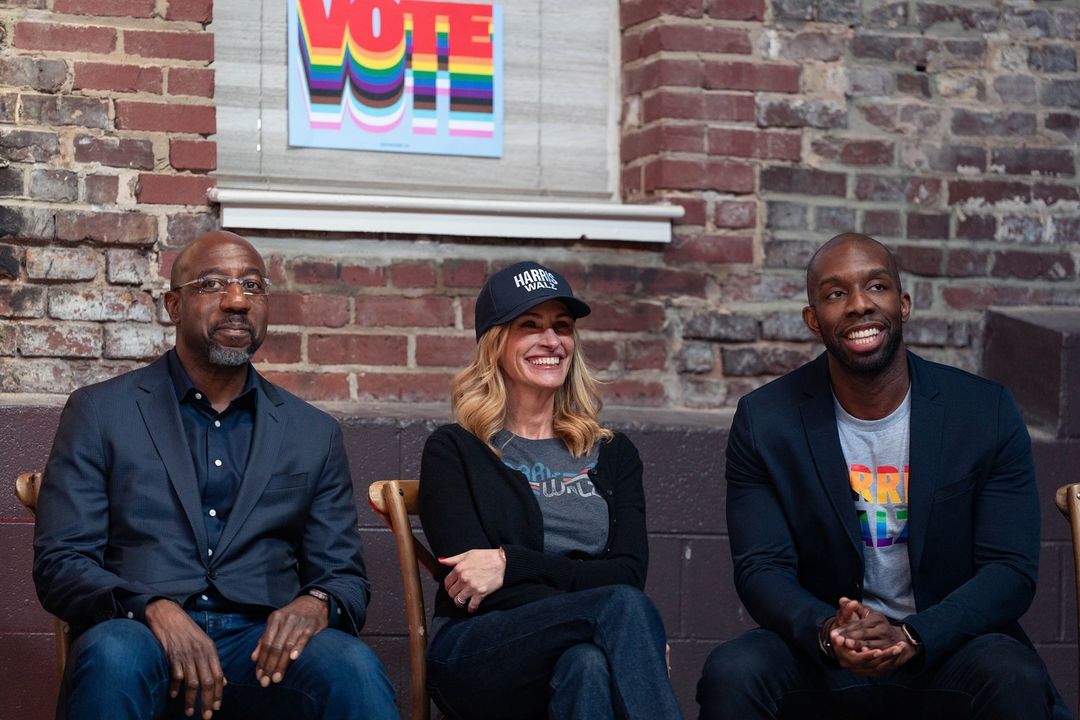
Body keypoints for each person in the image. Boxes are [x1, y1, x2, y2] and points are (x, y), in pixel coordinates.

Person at [697, 232, 1070, 720]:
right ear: (813, 320)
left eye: (876, 286)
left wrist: (916, 634)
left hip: (946, 649)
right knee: (734, 671)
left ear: (904, 303)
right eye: (835, 294)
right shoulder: (766, 421)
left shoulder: (983, 412)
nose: (858, 305)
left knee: (1012, 673)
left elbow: (1010, 570)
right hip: (826, 656)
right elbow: (761, 568)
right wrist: (831, 631)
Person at [33, 231, 397, 720]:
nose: (237, 301)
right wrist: (151, 608)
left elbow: (344, 576)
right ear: (173, 305)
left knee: (352, 666)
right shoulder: (101, 413)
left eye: (252, 285)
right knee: (114, 655)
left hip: (262, 649)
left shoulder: (313, 432)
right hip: (139, 635)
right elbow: (61, 563)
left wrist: (316, 602)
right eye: (212, 284)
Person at [418, 261, 682, 720]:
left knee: (587, 664)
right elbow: (475, 589)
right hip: (476, 649)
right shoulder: (455, 449)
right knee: (622, 612)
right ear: (496, 343)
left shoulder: (614, 453)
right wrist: (609, 617)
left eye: (562, 327)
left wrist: (510, 563)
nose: (551, 341)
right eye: (530, 326)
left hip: (579, 643)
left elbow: (628, 573)